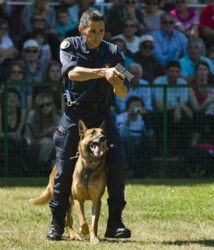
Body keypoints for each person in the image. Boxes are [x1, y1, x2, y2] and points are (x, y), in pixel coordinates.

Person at [46, 10, 131, 241]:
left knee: (118, 160)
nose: (96, 36)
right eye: (92, 31)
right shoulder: (68, 45)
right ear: (82, 29)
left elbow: (124, 91)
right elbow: (73, 73)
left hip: (102, 116)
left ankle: (115, 222)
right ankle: (57, 224)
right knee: (63, 169)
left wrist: (117, 83)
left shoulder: (114, 52)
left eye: (101, 31)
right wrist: (103, 72)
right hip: (75, 115)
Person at [189, 61, 214, 149]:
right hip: (198, 113)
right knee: (200, 118)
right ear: (196, 72)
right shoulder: (191, 86)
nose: (202, 72)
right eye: (199, 70)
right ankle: (192, 146)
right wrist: (208, 101)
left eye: (205, 69)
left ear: (208, 72)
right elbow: (196, 108)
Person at [116, 96, 156, 178]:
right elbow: (122, 135)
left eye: (139, 105)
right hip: (125, 145)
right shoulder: (121, 117)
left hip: (139, 143)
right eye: (134, 105)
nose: (137, 107)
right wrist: (128, 119)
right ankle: (137, 171)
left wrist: (146, 120)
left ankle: (148, 170)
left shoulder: (142, 118)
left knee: (151, 140)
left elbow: (149, 134)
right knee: (126, 141)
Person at [0, 87, 28, 176]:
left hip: (16, 140)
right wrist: (11, 135)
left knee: (22, 142)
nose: (12, 99)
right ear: (4, 100)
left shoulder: (22, 112)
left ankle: (23, 170)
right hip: (1, 140)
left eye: (14, 97)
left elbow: (19, 132)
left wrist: (15, 135)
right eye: (9, 97)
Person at [25, 93, 60, 174]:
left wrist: (56, 131)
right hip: (33, 145)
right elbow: (34, 136)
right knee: (48, 142)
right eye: (42, 106)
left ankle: (51, 167)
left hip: (52, 147)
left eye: (48, 104)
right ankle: (40, 167)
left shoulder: (56, 116)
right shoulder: (32, 114)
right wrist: (47, 132)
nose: (45, 108)